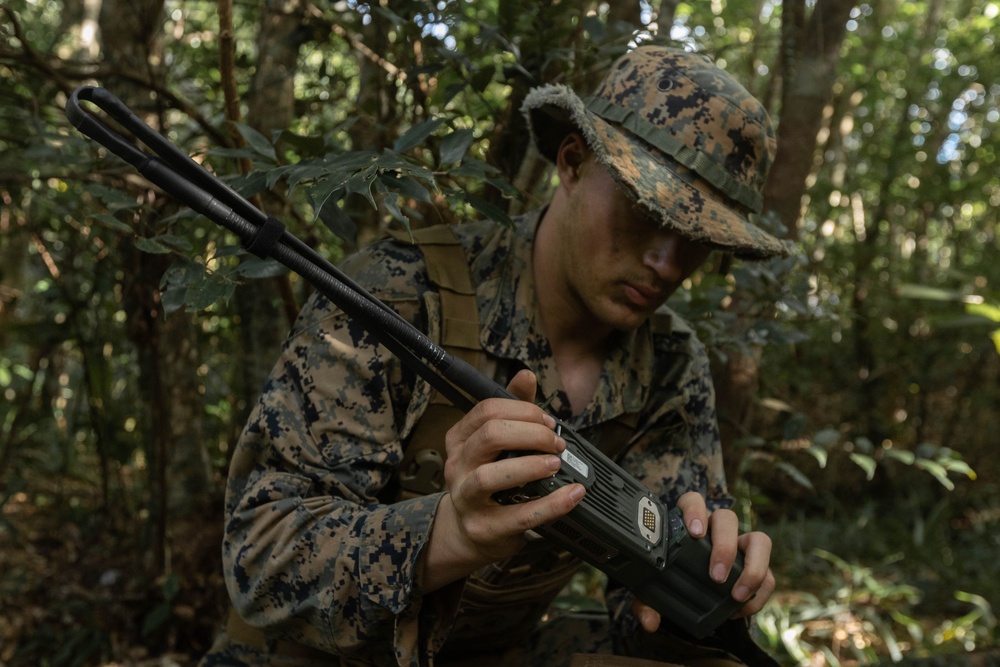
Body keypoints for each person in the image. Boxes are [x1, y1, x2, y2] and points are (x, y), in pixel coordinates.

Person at [201, 44, 792, 667]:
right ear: (572, 161)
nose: (667, 263)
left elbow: (639, 620)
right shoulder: (398, 294)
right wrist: (443, 538)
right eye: (647, 211)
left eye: (697, 239)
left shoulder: (671, 364)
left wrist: (702, 599)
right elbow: (261, 557)